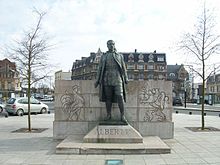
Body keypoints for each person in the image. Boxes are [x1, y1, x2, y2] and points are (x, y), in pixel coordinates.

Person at [94, 40, 128, 122]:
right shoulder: (104, 56)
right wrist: (98, 80)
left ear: (114, 45)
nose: (111, 45)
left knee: (120, 96)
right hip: (107, 78)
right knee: (108, 98)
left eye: (112, 44)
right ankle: (108, 115)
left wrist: (126, 78)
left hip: (117, 78)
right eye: (109, 44)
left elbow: (123, 68)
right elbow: (100, 69)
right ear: (107, 46)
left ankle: (122, 116)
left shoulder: (119, 56)